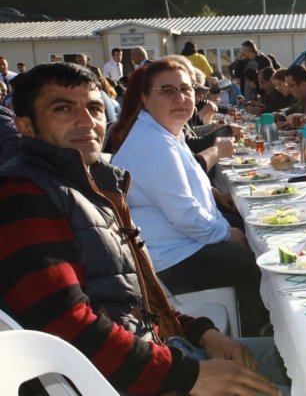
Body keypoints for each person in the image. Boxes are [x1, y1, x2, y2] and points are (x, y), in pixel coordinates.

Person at [0, 62, 285, 395]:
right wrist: (187, 376)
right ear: (26, 126)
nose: (87, 122)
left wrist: (203, 333)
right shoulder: (23, 195)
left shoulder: (94, 186)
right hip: (128, 380)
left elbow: (137, 300)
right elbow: (64, 325)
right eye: (63, 109)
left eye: (94, 108)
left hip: (159, 354)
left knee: (297, 356)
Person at [111, 59, 268, 337]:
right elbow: (186, 216)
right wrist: (227, 234)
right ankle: (253, 339)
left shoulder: (164, 132)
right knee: (255, 262)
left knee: (254, 227)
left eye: (186, 89)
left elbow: (186, 181)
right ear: (145, 99)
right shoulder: (153, 143)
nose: (180, 98)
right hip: (170, 260)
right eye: (167, 91)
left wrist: (215, 196)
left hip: (180, 241)